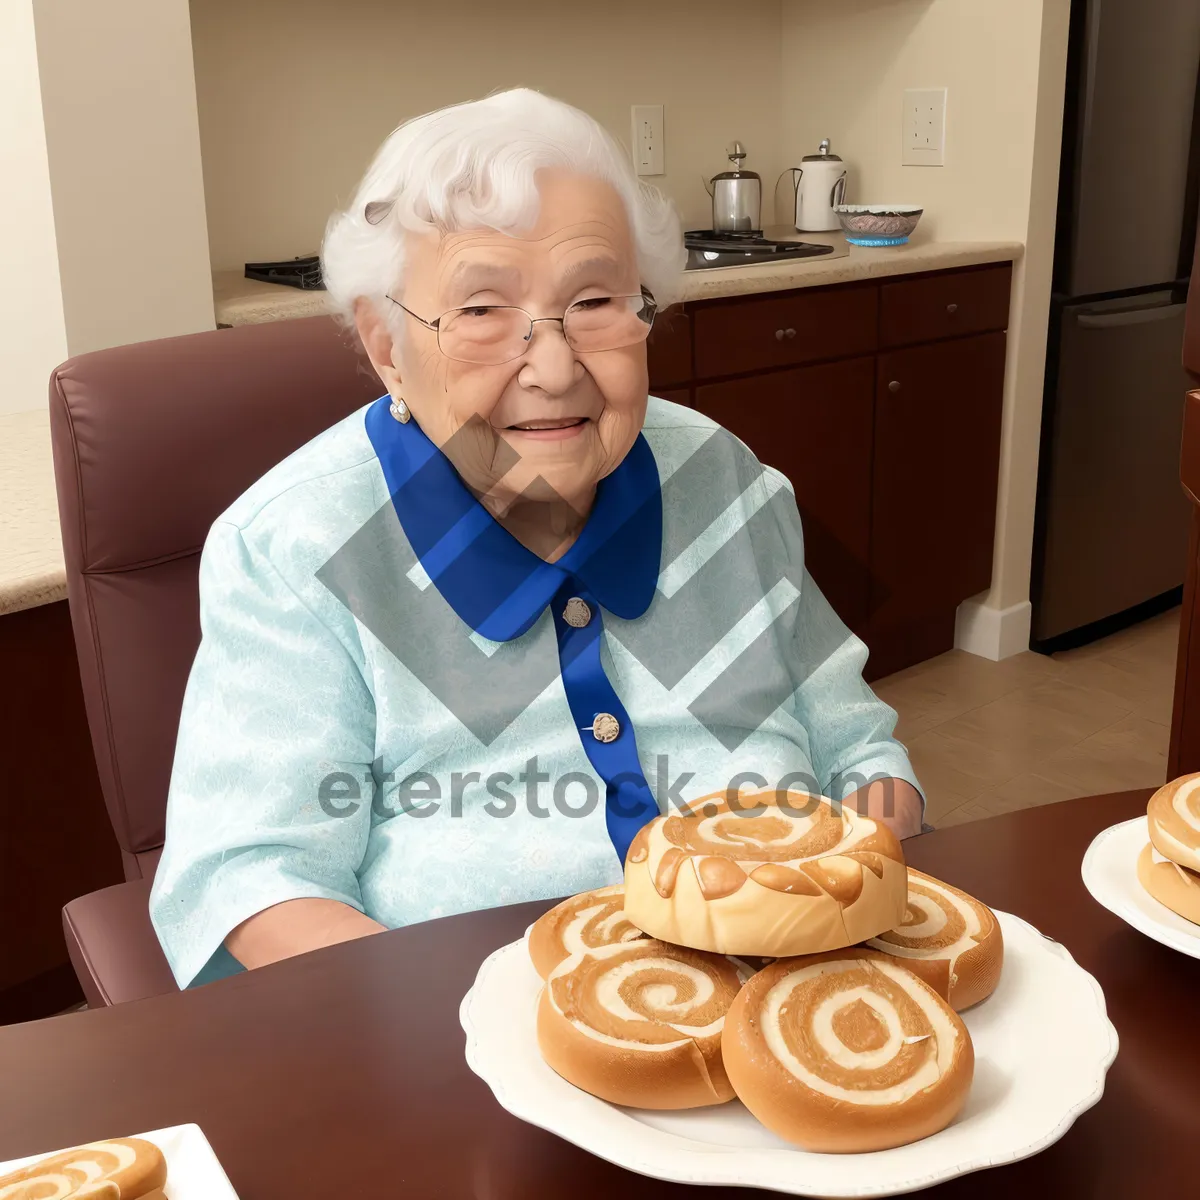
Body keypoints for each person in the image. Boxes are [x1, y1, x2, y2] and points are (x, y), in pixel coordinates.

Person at [149, 88, 925, 988]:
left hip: (799, 991)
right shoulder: (297, 545)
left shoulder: (722, 477)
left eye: (595, 300)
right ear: (389, 346)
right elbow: (251, 880)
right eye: (481, 311)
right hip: (461, 1050)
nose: (554, 368)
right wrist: (506, 1022)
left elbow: (855, 742)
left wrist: (863, 876)